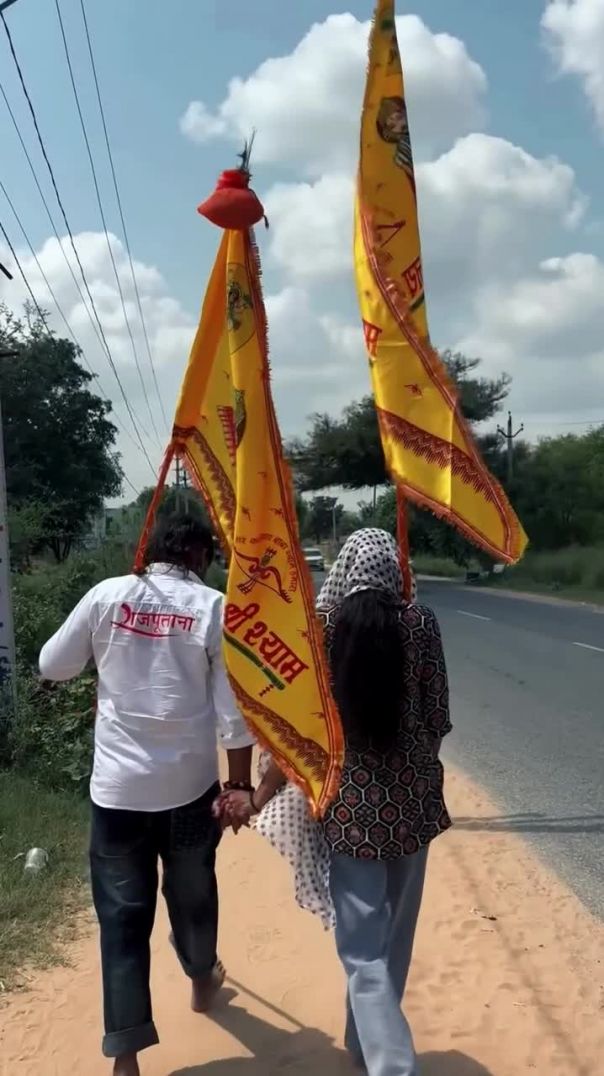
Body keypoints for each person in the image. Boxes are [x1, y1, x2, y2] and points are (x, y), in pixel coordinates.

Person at [220, 529, 451, 1076]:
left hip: (349, 816)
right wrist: (413, 773)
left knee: (363, 951)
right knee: (395, 940)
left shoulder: (320, 630)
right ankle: (374, 1052)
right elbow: (438, 719)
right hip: (413, 810)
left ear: (344, 570)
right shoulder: (422, 623)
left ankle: (382, 1059)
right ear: (395, 570)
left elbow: (298, 734)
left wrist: (258, 796)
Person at [39, 514, 255, 1076]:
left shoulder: (106, 596)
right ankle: (202, 977)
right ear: (199, 556)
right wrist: (239, 785)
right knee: (193, 896)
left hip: (118, 795)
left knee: (122, 920)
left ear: (151, 550)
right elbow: (233, 714)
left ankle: (126, 1057)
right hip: (189, 792)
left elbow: (51, 665)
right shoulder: (212, 607)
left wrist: (107, 658)